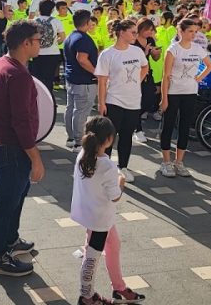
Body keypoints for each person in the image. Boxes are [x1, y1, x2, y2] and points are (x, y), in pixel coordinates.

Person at [0, 20, 45, 277]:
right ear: (25, 43)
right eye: (38, 40)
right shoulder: (17, 74)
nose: (41, 44)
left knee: (14, 198)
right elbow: (20, 121)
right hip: (10, 147)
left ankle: (10, 240)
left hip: (5, 145)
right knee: (7, 203)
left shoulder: (2, 63)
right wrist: (36, 158)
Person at [72, 116, 146, 305]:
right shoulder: (107, 165)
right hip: (99, 218)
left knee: (114, 244)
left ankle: (119, 287)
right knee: (92, 256)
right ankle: (86, 296)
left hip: (92, 213)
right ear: (109, 139)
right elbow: (115, 196)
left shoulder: (82, 155)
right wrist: (121, 182)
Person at [159, 19, 211, 178]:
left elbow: (209, 65)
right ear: (180, 31)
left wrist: (198, 78)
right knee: (168, 126)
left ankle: (179, 161)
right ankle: (166, 161)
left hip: (190, 92)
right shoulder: (173, 50)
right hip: (173, 92)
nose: (193, 34)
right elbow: (166, 76)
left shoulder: (197, 48)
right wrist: (164, 98)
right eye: (190, 31)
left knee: (184, 126)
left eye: (195, 31)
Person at [96, 19, 149, 183]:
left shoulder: (137, 51)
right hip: (114, 100)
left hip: (133, 100)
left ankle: (123, 167)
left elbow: (145, 67)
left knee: (126, 135)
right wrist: (101, 102)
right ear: (121, 32)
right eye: (132, 32)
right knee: (109, 136)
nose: (135, 35)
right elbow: (102, 81)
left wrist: (136, 81)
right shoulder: (107, 54)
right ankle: (105, 168)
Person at [63, 10, 99, 150]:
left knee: (71, 108)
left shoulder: (71, 36)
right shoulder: (83, 39)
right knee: (81, 111)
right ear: (87, 22)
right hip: (84, 81)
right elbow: (82, 59)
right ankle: (78, 141)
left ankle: (71, 137)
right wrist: (96, 72)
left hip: (72, 78)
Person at [132, 18, 161, 143]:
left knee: (149, 99)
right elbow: (133, 60)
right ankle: (138, 129)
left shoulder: (150, 40)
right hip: (134, 74)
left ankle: (133, 118)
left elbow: (155, 58)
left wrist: (156, 53)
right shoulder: (133, 41)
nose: (150, 32)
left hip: (147, 73)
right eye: (147, 30)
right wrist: (145, 52)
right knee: (136, 100)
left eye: (151, 30)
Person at [29, 0, 65, 99]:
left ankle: (36, 98)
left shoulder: (33, 21)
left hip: (36, 53)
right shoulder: (56, 21)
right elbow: (62, 37)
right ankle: (48, 98)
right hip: (52, 53)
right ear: (52, 10)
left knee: (36, 77)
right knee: (49, 78)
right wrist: (54, 43)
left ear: (39, 9)